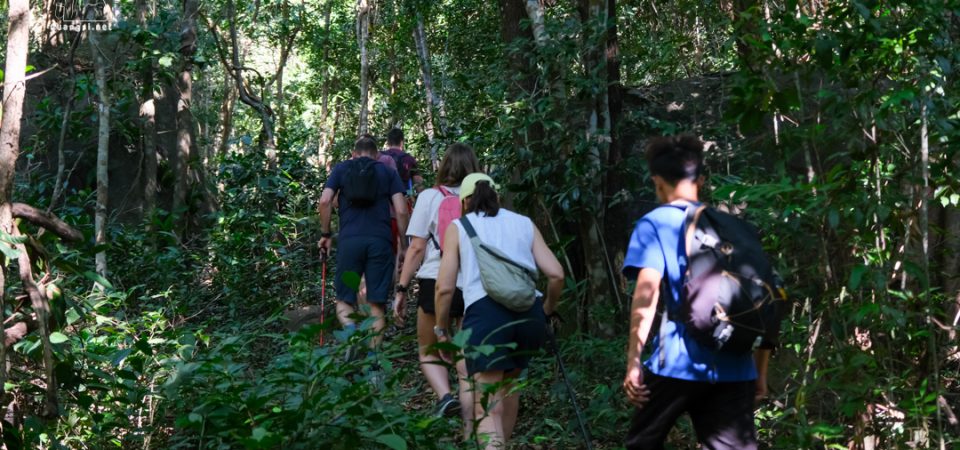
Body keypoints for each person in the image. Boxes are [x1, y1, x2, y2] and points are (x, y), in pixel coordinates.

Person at [621, 135, 770, 450]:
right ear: (701, 179)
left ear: (657, 181)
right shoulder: (734, 228)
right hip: (736, 365)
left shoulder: (654, 223)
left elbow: (646, 297)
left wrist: (634, 361)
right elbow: (763, 298)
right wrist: (759, 371)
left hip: (675, 363)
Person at [434, 173, 564, 450]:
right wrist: (547, 311)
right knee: (507, 390)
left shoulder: (459, 226)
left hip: (486, 316)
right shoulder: (524, 223)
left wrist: (441, 329)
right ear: (496, 195)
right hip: (529, 314)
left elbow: (444, 289)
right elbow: (556, 275)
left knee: (487, 407)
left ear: (465, 201)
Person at [393, 143, 482, 422]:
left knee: (428, 348)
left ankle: (445, 396)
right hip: (473, 283)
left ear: (444, 166)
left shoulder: (430, 196)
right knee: (465, 352)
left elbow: (417, 247)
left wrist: (402, 288)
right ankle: (475, 415)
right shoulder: (482, 197)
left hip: (435, 279)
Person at [318, 135, 409, 350]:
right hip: (380, 240)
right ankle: (373, 364)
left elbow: (324, 201)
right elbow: (402, 210)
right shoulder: (387, 171)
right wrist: (404, 243)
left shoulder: (341, 169)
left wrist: (326, 234)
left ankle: (352, 337)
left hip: (349, 241)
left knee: (344, 298)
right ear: (378, 155)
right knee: (376, 303)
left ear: (354, 154)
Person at [380, 127, 424, 195]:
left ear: (388, 142)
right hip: (403, 197)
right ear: (402, 142)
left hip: (383, 197)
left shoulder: (380, 156)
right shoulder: (409, 159)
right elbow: (418, 183)